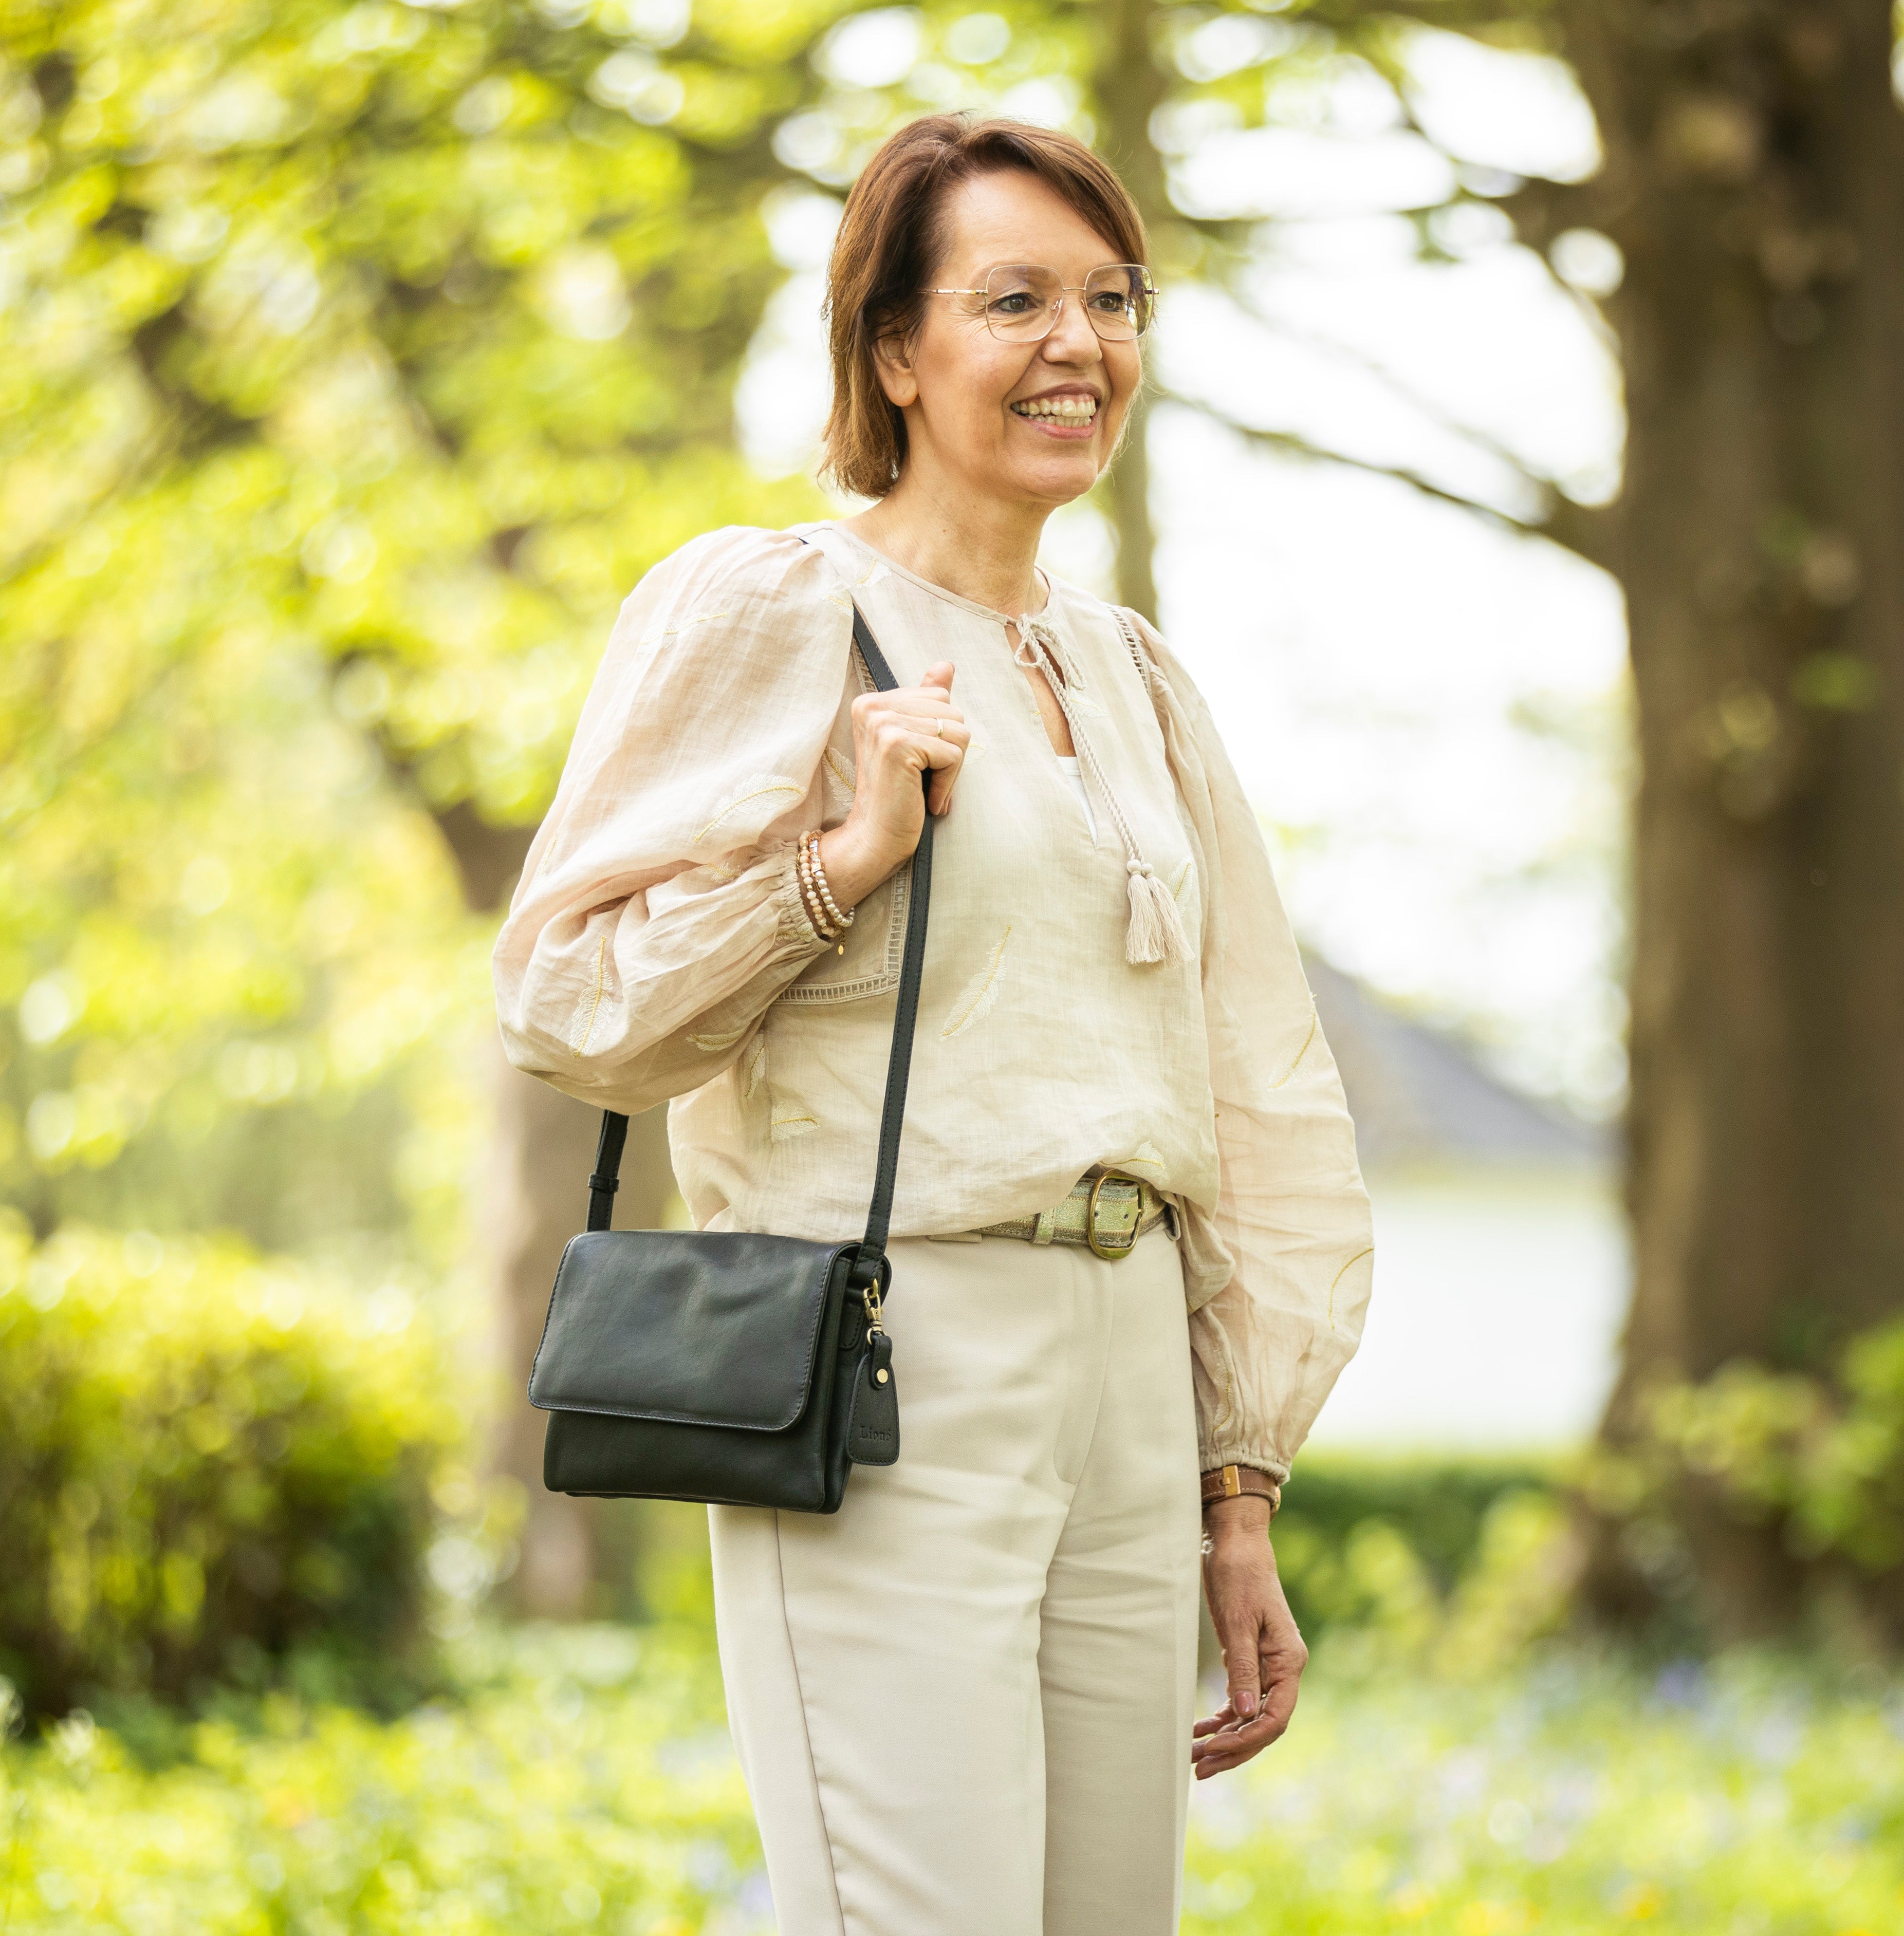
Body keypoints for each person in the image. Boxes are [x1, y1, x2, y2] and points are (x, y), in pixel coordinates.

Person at [492, 113, 1372, 1935]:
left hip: (1131, 1368)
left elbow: (1259, 1090)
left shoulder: (1132, 677)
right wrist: (838, 861)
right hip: (890, 1355)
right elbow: (570, 997)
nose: (1080, 344)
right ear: (894, 352)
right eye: (1016, 300)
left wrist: (1237, 1483)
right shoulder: (778, 610)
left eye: (1111, 299)